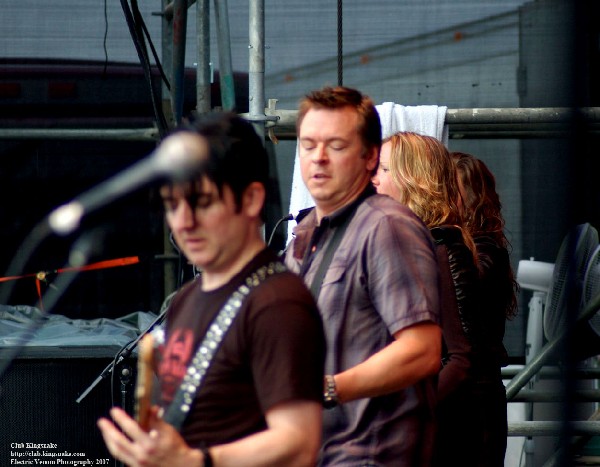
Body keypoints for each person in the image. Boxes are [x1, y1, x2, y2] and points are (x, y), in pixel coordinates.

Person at [97, 112, 326, 467]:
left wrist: (196, 460)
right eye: (173, 205)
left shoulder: (277, 303)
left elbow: (299, 442)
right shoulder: (188, 297)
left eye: (202, 203)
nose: (183, 222)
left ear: (250, 199)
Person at [284, 86, 442, 466]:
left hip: (370, 454)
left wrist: (327, 389)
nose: (318, 158)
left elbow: (422, 350)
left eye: (336, 146)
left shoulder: (386, 226)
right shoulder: (304, 233)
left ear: (370, 157)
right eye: (308, 145)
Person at [372, 131, 503, 467]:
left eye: (384, 170)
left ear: (413, 180)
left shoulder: (442, 247)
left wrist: (403, 411)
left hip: (460, 432)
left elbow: (461, 359)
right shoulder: (409, 242)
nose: (373, 178)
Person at [451, 151, 520, 463]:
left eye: (452, 190)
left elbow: (465, 293)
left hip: (476, 399)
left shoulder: (485, 250)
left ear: (472, 197)